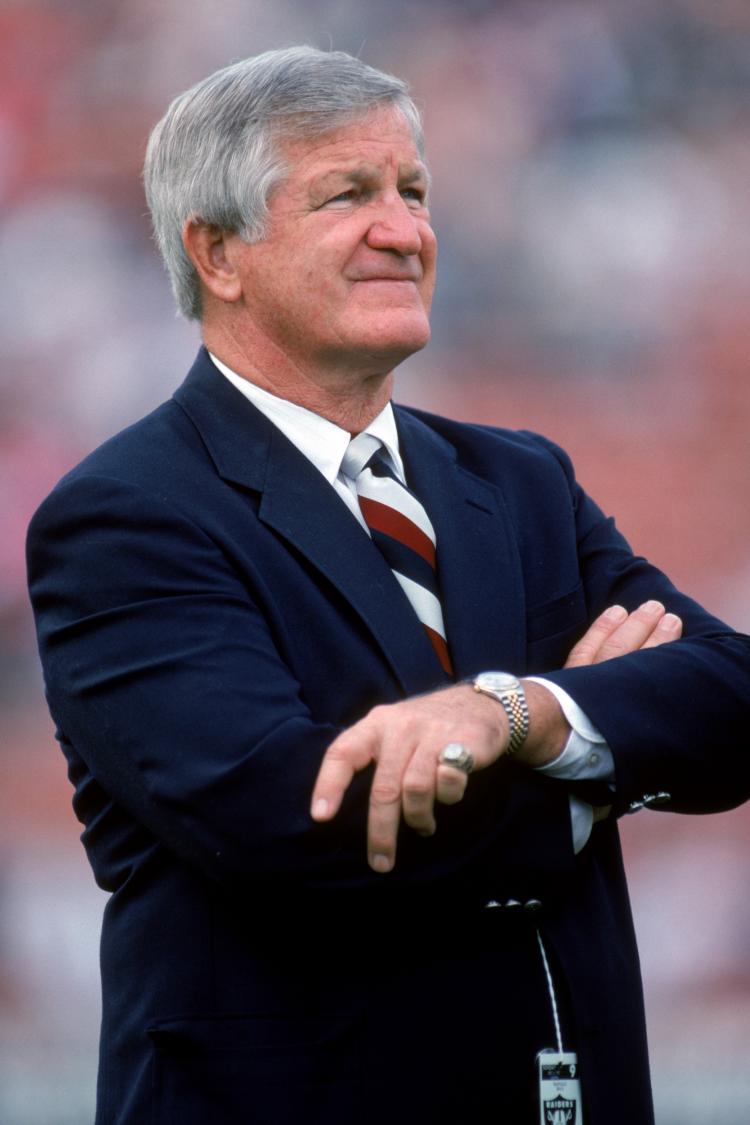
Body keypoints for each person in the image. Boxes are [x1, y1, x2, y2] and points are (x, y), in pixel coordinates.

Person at [26, 46, 750, 1125]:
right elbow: (295, 817)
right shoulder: (128, 513)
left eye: (413, 191)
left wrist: (512, 712)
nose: (404, 230)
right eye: (348, 195)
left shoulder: (521, 481)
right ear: (217, 252)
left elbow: (730, 700)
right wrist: (591, 760)